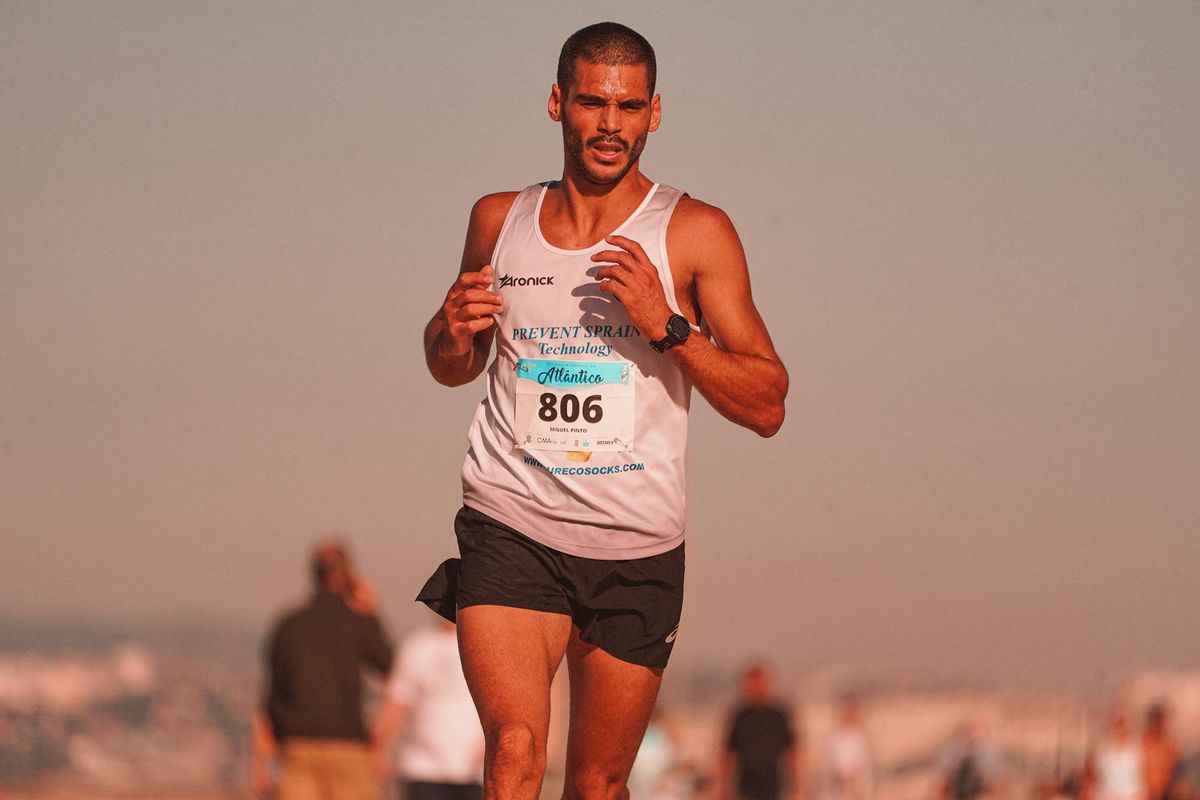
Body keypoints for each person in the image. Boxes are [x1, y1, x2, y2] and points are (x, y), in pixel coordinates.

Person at [418, 20, 787, 800]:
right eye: (592, 103)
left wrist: (669, 327)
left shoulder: (693, 232)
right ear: (559, 103)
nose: (610, 125)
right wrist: (449, 331)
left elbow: (768, 403)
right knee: (515, 751)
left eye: (628, 107)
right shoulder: (498, 220)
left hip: (635, 547)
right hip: (511, 522)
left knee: (597, 783)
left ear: (655, 112)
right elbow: (452, 367)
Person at [251, 540, 394, 800]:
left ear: (312, 574)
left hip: (297, 747)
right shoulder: (359, 623)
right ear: (349, 575)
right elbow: (390, 667)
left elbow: (271, 697)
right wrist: (371, 610)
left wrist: (259, 761)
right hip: (348, 746)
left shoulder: (288, 624)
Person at [370, 614, 485, 800]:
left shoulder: (487, 647)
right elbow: (396, 703)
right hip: (421, 769)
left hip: (475, 772)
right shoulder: (416, 647)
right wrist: (378, 748)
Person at [717, 663, 802, 800]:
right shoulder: (740, 716)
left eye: (759, 683)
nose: (756, 688)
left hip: (772, 784)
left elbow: (791, 751)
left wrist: (796, 784)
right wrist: (723, 787)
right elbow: (729, 753)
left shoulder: (779, 715)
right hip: (746, 784)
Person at [936, 721, 1005, 800]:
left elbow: (996, 786)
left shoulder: (989, 756)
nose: (972, 739)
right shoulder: (954, 755)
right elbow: (943, 784)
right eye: (968, 734)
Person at [822, 695, 873, 800]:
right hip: (839, 791)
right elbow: (835, 766)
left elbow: (862, 766)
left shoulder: (861, 738)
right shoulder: (835, 738)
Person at [1084, 711, 1144, 800]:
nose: (1120, 729)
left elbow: (1145, 775)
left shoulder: (1137, 749)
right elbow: (1090, 772)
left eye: (1122, 724)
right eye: (1117, 724)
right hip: (1106, 794)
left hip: (1131, 795)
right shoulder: (1102, 749)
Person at [1142, 704, 1179, 800]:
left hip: (1166, 791)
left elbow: (1172, 768)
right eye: (1159, 721)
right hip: (1148, 792)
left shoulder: (1169, 744)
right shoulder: (1144, 743)